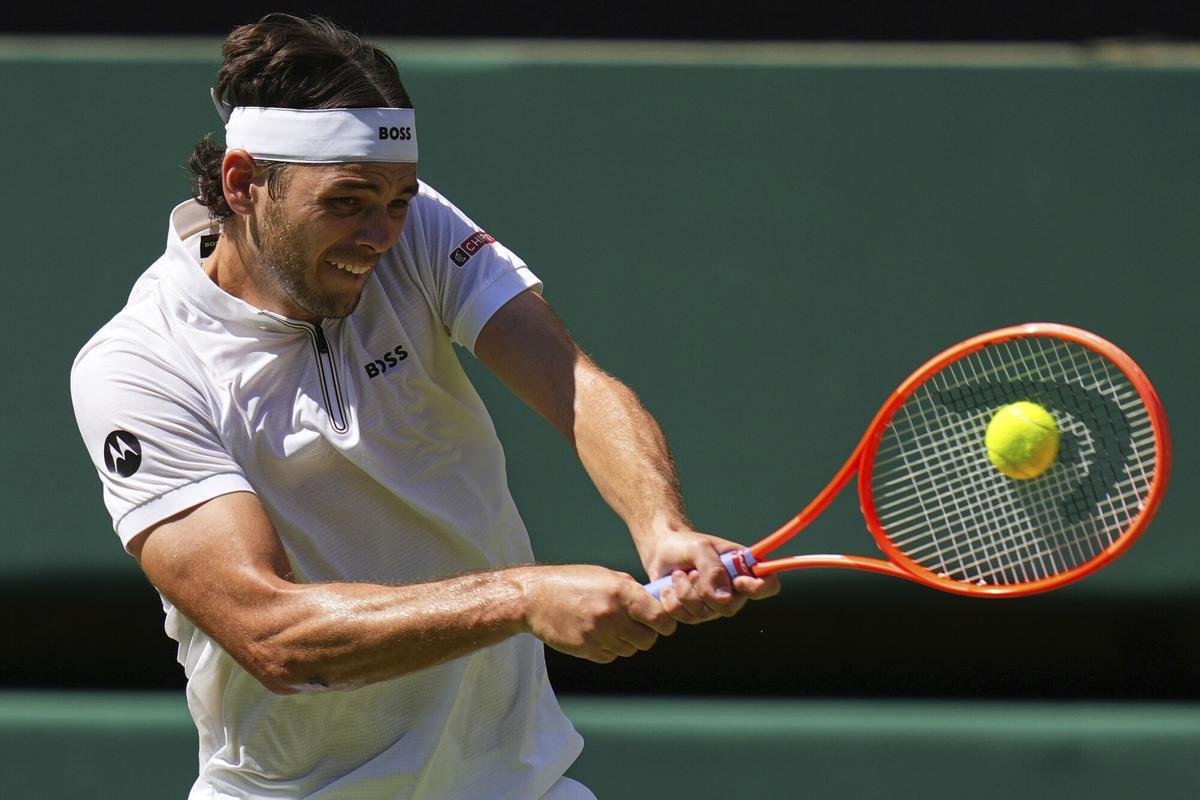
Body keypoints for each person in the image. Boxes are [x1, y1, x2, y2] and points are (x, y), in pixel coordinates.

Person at [70, 13, 777, 800]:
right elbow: (272, 634)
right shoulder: (137, 367)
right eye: (348, 201)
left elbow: (570, 379)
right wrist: (522, 596)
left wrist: (660, 525)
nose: (380, 233)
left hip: (514, 784)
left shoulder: (416, 231)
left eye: (399, 198)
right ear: (242, 183)